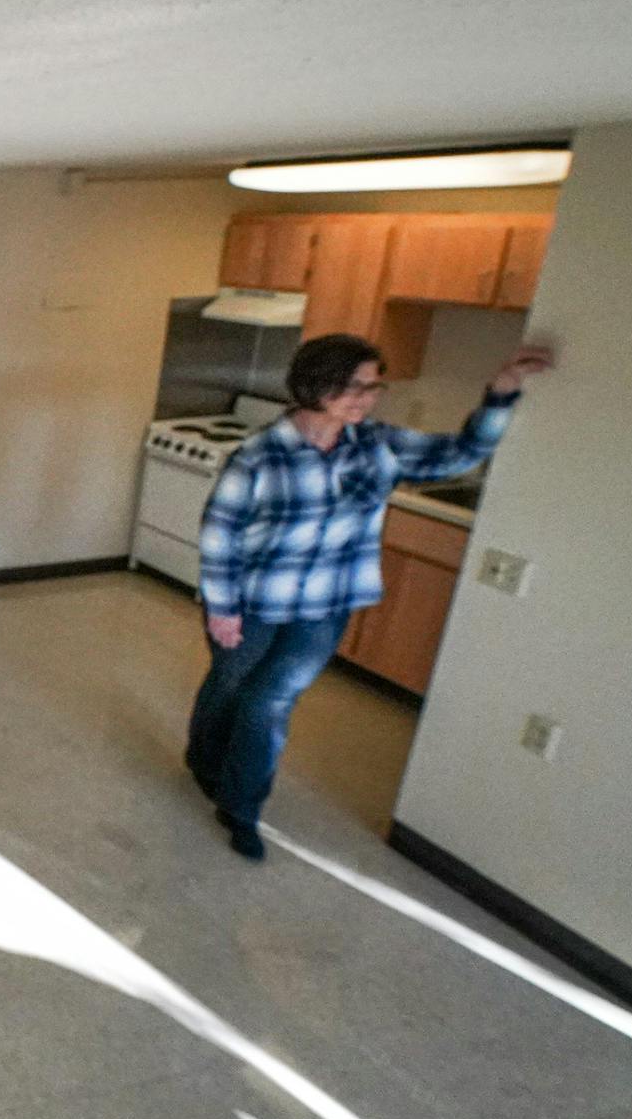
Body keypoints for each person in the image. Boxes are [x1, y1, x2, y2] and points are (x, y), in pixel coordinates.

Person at [186, 333, 554, 861]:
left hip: (326, 605)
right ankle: (203, 759)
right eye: (353, 386)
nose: (366, 397)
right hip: (253, 603)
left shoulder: (378, 444)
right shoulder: (260, 456)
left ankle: (241, 807)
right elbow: (220, 531)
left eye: (373, 386)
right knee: (230, 683)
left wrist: (502, 391)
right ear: (316, 385)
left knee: (270, 703)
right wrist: (222, 609)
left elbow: (461, 454)